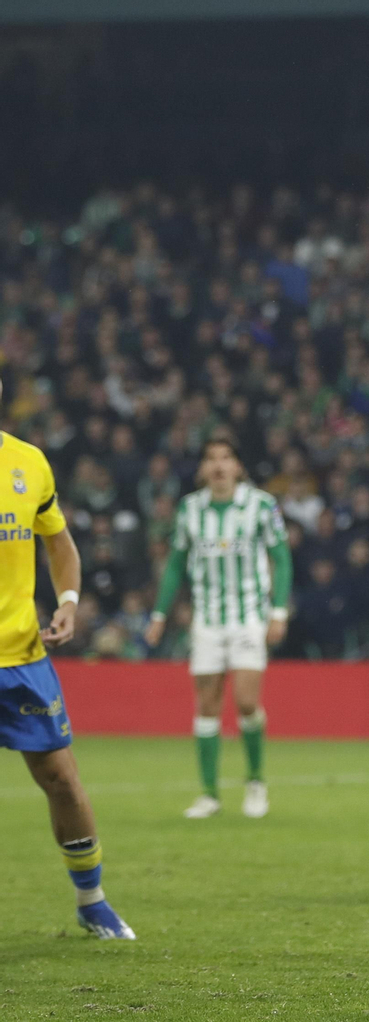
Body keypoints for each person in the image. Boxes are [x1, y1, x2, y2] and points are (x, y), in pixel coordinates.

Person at [0, 381, 135, 938]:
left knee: (61, 777)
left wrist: (69, 602)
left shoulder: (28, 462)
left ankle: (92, 900)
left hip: (22, 657)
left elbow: (58, 542)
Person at [146, 437, 291, 820]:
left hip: (248, 617)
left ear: (238, 467)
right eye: (211, 459)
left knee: (245, 701)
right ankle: (209, 794)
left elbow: (281, 556)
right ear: (203, 469)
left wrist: (279, 612)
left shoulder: (260, 505)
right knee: (207, 705)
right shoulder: (190, 509)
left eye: (226, 457)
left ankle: (256, 782)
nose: (219, 465)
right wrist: (159, 614)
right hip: (207, 621)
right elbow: (176, 563)